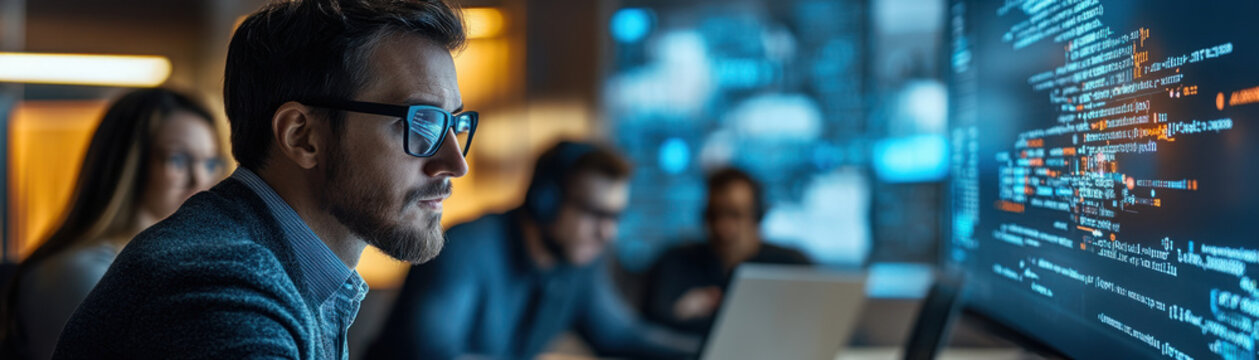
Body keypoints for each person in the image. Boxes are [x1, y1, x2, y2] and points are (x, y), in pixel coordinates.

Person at [51, 0, 475, 358]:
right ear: (302, 136)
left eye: (453, 124)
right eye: (421, 122)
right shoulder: (220, 284)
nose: (455, 164)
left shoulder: (296, 275)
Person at [367, 141, 697, 359]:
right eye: (594, 213)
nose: (607, 233)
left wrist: (712, 350)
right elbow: (435, 352)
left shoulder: (579, 262)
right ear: (545, 201)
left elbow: (621, 335)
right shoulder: (467, 247)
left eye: (615, 217)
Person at [0, 88, 225, 360]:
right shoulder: (82, 271)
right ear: (127, 167)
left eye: (210, 162)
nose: (200, 178)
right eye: (177, 159)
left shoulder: (168, 264)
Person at [642, 167, 811, 336]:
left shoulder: (792, 267)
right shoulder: (674, 263)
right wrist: (680, 313)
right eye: (714, 215)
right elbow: (649, 329)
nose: (722, 228)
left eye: (735, 215)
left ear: (758, 216)